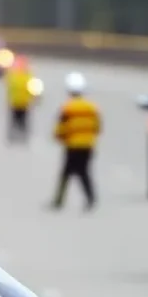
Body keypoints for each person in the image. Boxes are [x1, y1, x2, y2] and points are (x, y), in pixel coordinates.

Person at [51, 72, 100, 210]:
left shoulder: (67, 108)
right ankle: (91, 198)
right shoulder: (92, 108)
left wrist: (59, 137)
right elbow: (97, 127)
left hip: (72, 145)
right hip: (88, 145)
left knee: (66, 173)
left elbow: (61, 128)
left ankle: (58, 201)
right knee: (84, 172)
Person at [5, 56, 35, 142]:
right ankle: (15, 134)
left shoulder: (28, 75)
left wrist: (33, 97)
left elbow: (33, 88)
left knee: (22, 119)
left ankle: (22, 134)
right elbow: (8, 85)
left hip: (24, 102)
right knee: (15, 119)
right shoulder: (13, 75)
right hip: (15, 102)